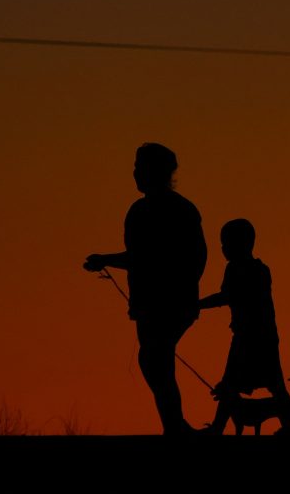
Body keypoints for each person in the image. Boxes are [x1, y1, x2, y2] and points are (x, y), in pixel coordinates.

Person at [84, 143, 207, 435]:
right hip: (152, 303)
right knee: (154, 360)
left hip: (168, 303)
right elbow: (143, 257)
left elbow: (159, 257)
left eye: (140, 168)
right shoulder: (146, 210)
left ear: (155, 172)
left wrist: (106, 260)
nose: (136, 173)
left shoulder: (174, 210)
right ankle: (175, 427)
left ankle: (175, 428)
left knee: (155, 358)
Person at [198, 218, 290, 435]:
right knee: (239, 384)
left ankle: (288, 427)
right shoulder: (250, 269)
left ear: (243, 244)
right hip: (254, 335)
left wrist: (197, 305)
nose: (224, 249)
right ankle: (219, 426)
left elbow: (226, 296)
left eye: (227, 244)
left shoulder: (249, 271)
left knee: (263, 383)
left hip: (255, 337)